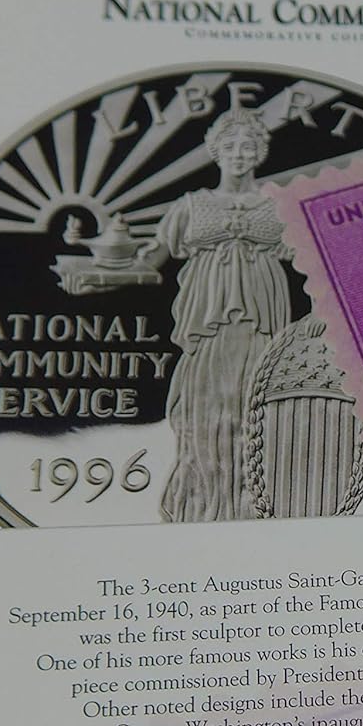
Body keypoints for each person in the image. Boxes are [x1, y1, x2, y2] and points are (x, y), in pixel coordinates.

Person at [133, 108, 294, 521]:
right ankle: (203, 502)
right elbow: (150, 260)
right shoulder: (191, 205)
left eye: (248, 146)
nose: (239, 154)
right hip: (207, 322)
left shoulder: (278, 204)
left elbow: (313, 256)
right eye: (230, 145)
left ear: (260, 152)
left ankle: (255, 500)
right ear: (215, 151)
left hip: (261, 318)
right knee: (205, 406)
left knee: (256, 401)